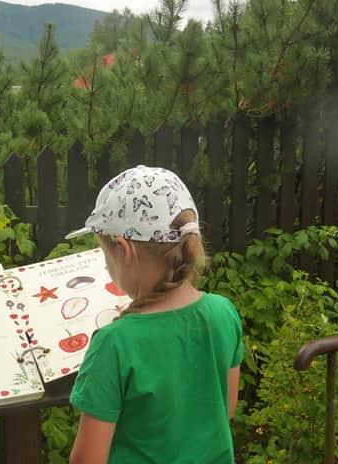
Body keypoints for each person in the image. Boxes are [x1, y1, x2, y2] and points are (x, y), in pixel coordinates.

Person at [66, 165, 243, 464]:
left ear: (124, 251)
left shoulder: (114, 343)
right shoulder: (223, 312)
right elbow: (225, 410)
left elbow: (87, 460)